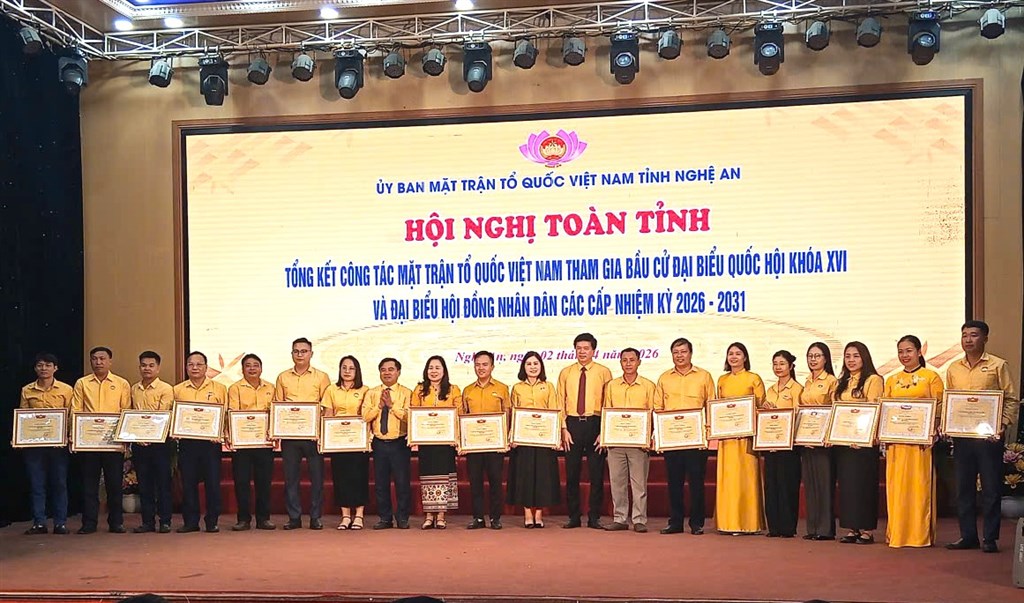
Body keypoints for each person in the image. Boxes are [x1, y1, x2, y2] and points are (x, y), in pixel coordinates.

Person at [945, 320, 1018, 553]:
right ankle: (968, 536)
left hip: (989, 438)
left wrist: (1002, 425)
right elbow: (950, 401)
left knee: (991, 488)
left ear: (985, 338)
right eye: (964, 335)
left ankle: (990, 538)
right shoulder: (953, 368)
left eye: (974, 335)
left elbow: (1011, 399)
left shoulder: (998, 365)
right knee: (963, 489)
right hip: (962, 437)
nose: (968, 340)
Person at [882, 335, 944, 548]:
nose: (904, 355)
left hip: (920, 444)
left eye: (909, 351)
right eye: (900, 351)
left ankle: (919, 535)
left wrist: (934, 430)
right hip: (897, 444)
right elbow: (886, 410)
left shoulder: (931, 377)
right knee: (896, 487)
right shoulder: (892, 380)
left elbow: (940, 407)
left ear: (919, 352)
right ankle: (897, 533)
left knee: (919, 487)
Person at [654, 338, 715, 535]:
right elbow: (658, 408)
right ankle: (675, 522)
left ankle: (697, 523)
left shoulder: (704, 376)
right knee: (674, 483)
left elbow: (711, 405)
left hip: (696, 439)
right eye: (676, 352)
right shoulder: (664, 378)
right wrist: (660, 435)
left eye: (683, 351)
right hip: (672, 440)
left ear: (691, 353)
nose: (679, 355)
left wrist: (708, 434)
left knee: (696, 482)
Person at [71, 346, 132, 534]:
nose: (98, 362)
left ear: (110, 361)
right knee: (89, 485)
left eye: (102, 358)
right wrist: (75, 436)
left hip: (113, 443)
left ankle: (116, 522)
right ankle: (89, 523)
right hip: (88, 443)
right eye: (95, 359)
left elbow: (126, 411)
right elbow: (76, 410)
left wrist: (124, 439)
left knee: (114, 484)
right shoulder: (82, 383)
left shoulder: (121, 383)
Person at [273, 337, 331, 531]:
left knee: (317, 479)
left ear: (311, 354)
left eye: (304, 351)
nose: (300, 354)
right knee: (291, 479)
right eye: (296, 351)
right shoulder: (282, 377)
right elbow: (278, 405)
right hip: (290, 437)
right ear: (291, 354)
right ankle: (294, 517)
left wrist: (322, 432)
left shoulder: (321, 377)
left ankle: (315, 517)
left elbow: (326, 406)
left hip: (314, 436)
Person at [558, 333, 613, 529]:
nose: (582, 352)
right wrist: (563, 428)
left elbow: (609, 403)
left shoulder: (604, 372)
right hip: (572, 425)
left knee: (596, 475)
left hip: (595, 424)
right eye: (579, 348)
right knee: (572, 474)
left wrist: (604, 431)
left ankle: (594, 517)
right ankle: (573, 516)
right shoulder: (566, 372)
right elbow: (560, 402)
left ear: (593, 351)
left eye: (586, 348)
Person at [172, 350, 228, 533]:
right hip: (187, 444)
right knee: (188, 483)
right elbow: (174, 415)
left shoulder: (220, 388)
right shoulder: (178, 390)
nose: (194, 367)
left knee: (212, 483)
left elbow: (225, 415)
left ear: (206, 367)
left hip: (211, 444)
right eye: (190, 364)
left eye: (199, 364)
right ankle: (190, 522)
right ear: (186, 367)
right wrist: (175, 429)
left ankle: (212, 521)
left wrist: (222, 433)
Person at [833, 341, 883, 545]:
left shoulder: (873, 380)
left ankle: (867, 530)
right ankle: (852, 528)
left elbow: (874, 409)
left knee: (864, 485)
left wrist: (862, 436)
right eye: (847, 356)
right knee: (848, 486)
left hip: (864, 443)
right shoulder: (842, 382)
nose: (851, 360)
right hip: (844, 442)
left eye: (855, 356)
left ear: (864, 357)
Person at [603, 348, 656, 532]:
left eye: (632, 360)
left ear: (639, 362)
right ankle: (620, 518)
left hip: (639, 444)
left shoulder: (648, 386)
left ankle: (639, 519)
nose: (628, 363)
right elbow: (607, 411)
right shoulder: (611, 385)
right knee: (617, 482)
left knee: (639, 483)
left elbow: (653, 413)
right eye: (624, 360)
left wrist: (650, 437)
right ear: (620, 363)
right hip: (616, 442)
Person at [715, 342, 767, 535]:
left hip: (746, 438)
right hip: (727, 439)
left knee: (747, 478)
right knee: (728, 479)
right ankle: (727, 523)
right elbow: (718, 408)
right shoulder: (722, 380)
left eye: (738, 353)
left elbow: (761, 407)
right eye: (731, 353)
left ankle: (749, 523)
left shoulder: (754, 378)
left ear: (745, 357)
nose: (734, 357)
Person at [19, 352, 74, 535]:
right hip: (35, 446)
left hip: (58, 446)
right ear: (35, 368)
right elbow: (24, 417)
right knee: (36, 484)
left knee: (59, 484)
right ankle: (39, 523)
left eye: (48, 365)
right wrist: (21, 436)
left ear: (55, 368)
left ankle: (60, 523)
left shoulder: (66, 389)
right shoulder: (27, 390)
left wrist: (67, 436)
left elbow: (71, 416)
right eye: (40, 365)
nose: (44, 368)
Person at [508, 351, 561, 529]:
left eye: (536, 363)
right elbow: (513, 412)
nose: (532, 367)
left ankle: (538, 514)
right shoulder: (517, 388)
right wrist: (512, 435)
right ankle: (527, 514)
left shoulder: (549, 386)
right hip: (523, 440)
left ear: (541, 366)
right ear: (523, 367)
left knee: (542, 477)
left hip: (543, 439)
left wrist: (556, 436)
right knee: (525, 476)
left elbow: (555, 411)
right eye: (529, 364)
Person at [226, 353, 276, 531]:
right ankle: (243, 519)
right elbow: (232, 412)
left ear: (261, 368)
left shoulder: (271, 388)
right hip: (243, 443)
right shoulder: (235, 388)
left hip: (264, 442)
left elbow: (276, 413)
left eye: (256, 365)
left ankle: (264, 518)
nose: (252, 368)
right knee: (242, 482)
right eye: (248, 365)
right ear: (242, 369)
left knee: (264, 482)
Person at [462, 351, 511, 530]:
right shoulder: (467, 390)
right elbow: (463, 417)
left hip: (495, 444)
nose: (481, 368)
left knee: (495, 482)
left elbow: (507, 415)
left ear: (492, 366)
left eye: (485, 364)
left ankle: (495, 518)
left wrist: (505, 439)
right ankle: (478, 518)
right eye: (477, 365)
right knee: (475, 482)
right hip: (474, 445)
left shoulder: (503, 388)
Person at [412, 355, 462, 530]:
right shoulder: (419, 390)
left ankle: (440, 516)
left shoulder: (453, 390)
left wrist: (456, 437)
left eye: (437, 368)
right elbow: (413, 414)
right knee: (428, 477)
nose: (434, 371)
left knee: (443, 477)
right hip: (426, 442)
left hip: (445, 443)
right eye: (431, 368)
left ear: (444, 370)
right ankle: (428, 515)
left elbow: (459, 414)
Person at [363, 357, 413, 529]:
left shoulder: (407, 393)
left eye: (391, 369)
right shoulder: (371, 393)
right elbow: (365, 416)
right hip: (379, 443)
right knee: (380, 483)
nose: (387, 373)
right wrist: (378, 406)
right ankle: (385, 518)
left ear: (398, 372)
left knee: (402, 482)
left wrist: (392, 406)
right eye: (383, 370)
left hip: (399, 443)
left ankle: (403, 518)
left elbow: (410, 417)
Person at [321, 355, 370, 530]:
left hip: (359, 441)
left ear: (357, 371)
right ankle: (346, 516)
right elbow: (328, 414)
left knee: (359, 477)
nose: (347, 371)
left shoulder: (365, 390)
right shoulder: (331, 390)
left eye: (351, 368)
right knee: (341, 477)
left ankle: (359, 516)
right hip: (338, 441)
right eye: (344, 367)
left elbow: (368, 415)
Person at [129, 351, 174, 533]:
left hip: (160, 444)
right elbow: (131, 415)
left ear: (158, 367)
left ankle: (165, 521)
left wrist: (149, 436)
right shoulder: (134, 389)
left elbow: (163, 415)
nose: (147, 368)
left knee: (163, 483)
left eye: (151, 365)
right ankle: (147, 522)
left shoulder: (166, 389)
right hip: (139, 444)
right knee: (144, 484)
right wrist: (138, 437)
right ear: (139, 367)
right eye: (143, 365)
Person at [800, 342, 839, 541]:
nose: (813, 360)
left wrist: (829, 435)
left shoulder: (832, 381)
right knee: (810, 484)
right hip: (806, 440)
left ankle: (825, 529)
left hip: (823, 441)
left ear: (826, 359)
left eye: (817, 356)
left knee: (824, 485)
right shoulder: (807, 381)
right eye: (810, 356)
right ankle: (813, 528)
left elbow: (836, 410)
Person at [763, 350, 803, 538]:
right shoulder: (770, 390)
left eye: (782, 364)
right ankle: (774, 527)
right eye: (775, 364)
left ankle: (787, 527)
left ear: (791, 366)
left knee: (787, 485)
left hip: (789, 445)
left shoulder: (797, 389)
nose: (778, 367)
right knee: (771, 485)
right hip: (770, 444)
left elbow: (799, 415)